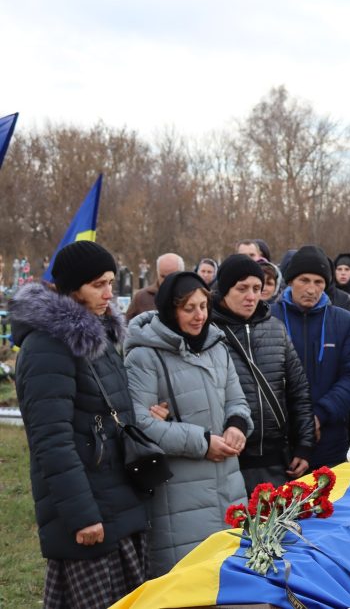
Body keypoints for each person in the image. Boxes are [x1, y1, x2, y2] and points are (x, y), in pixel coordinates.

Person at [11, 241, 150, 607]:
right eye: (98, 285)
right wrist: (81, 516)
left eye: (111, 282)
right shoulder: (47, 346)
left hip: (115, 500)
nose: (110, 293)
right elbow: (51, 441)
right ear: (73, 289)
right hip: (88, 512)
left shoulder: (96, 336)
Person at [125, 271, 253, 577]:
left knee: (231, 579)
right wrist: (203, 442)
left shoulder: (217, 347)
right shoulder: (144, 357)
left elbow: (237, 400)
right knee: (187, 582)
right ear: (171, 310)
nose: (200, 316)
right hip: (178, 493)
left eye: (203, 306)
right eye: (189, 309)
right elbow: (139, 424)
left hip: (229, 484)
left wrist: (236, 426)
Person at [210, 255, 314, 492]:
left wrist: (305, 446)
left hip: (277, 460)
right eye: (242, 288)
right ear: (225, 289)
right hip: (228, 459)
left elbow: (299, 391)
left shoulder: (275, 328)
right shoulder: (208, 331)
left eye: (257, 288)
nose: (251, 296)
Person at [271, 246, 350, 467]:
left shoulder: (343, 322)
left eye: (318, 282)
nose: (311, 289)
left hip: (329, 434)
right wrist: (293, 420)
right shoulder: (268, 318)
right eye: (304, 280)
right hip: (279, 436)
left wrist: (320, 414)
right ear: (291, 281)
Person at [125, 253, 184, 321]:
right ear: (157, 272)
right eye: (163, 276)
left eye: (171, 276)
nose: (167, 281)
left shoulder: (190, 296)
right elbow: (125, 326)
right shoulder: (141, 297)